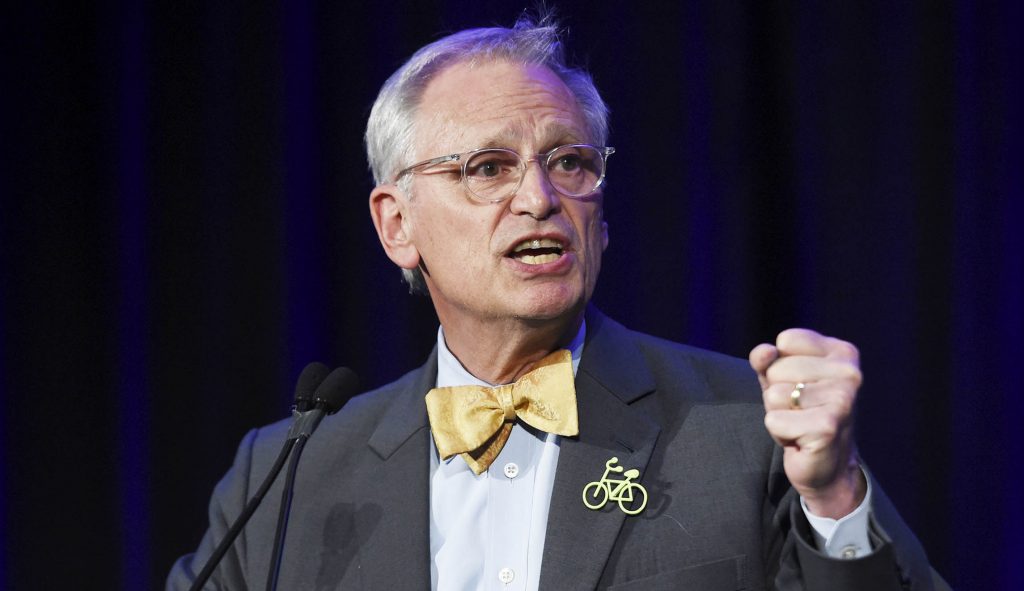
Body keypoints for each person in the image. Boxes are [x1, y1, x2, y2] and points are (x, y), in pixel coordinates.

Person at [168, 14, 944, 590]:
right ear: (397, 224)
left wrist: (836, 498)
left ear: (601, 213)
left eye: (569, 161)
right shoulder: (288, 476)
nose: (540, 197)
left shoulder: (744, 427)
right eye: (488, 167)